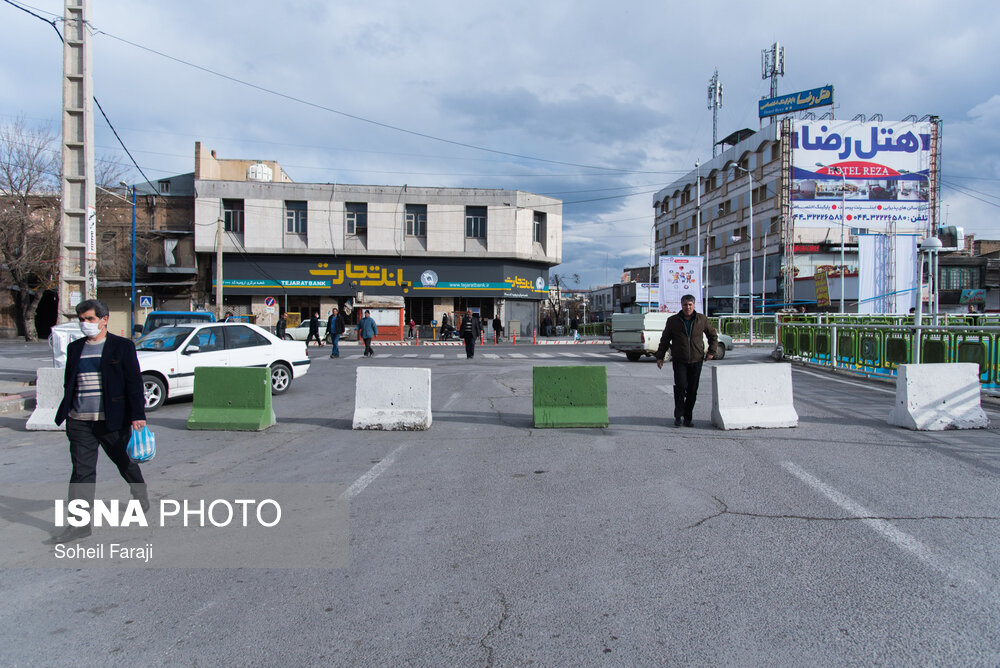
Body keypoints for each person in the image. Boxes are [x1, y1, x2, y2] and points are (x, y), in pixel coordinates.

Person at [50, 299, 148, 544]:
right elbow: (70, 382)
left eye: (90, 319)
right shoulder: (75, 349)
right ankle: (79, 526)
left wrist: (137, 415)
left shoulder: (122, 346)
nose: (86, 324)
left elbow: (134, 383)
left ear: (104, 319)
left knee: (124, 462)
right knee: (81, 474)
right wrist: (70, 411)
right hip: (80, 420)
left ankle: (139, 492)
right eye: (82, 320)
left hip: (112, 420)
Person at [655, 294, 717, 428]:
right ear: (681, 305)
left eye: (690, 305)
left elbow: (713, 335)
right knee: (681, 387)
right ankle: (678, 416)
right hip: (679, 360)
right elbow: (665, 339)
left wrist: (711, 351)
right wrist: (660, 356)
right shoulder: (673, 321)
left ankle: (688, 418)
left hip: (696, 360)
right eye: (685, 305)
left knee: (692, 390)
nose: (687, 307)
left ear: (694, 305)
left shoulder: (702, 319)